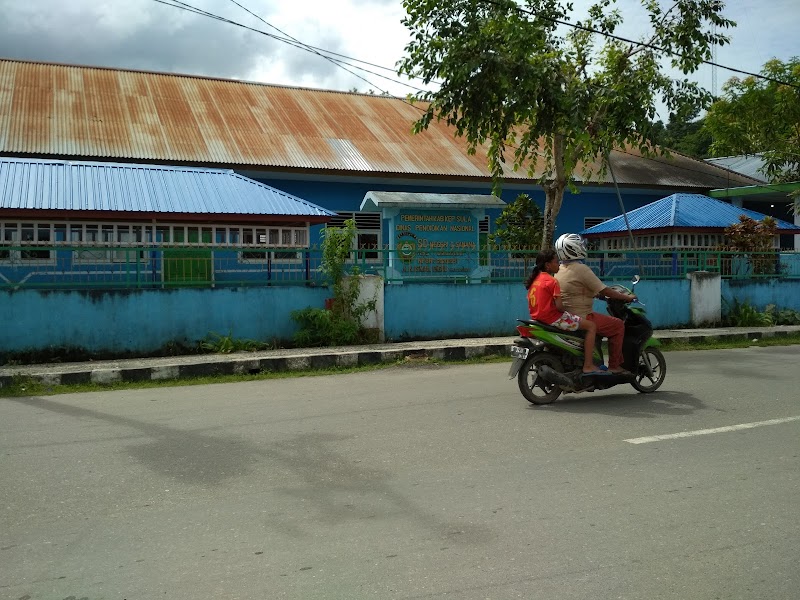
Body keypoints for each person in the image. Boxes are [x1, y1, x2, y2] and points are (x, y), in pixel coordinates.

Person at [553, 233, 636, 375]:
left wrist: (599, 295)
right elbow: (604, 289)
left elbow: (578, 290)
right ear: (575, 249)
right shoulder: (581, 269)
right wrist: (625, 297)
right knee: (617, 325)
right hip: (583, 316)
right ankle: (614, 366)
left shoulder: (559, 270)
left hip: (567, 315)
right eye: (580, 245)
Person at [525, 249, 605, 375]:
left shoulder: (535, 281)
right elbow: (560, 307)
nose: (559, 264)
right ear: (548, 265)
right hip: (553, 318)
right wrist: (571, 311)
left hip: (538, 319)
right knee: (591, 326)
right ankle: (588, 365)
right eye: (556, 262)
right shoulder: (552, 281)